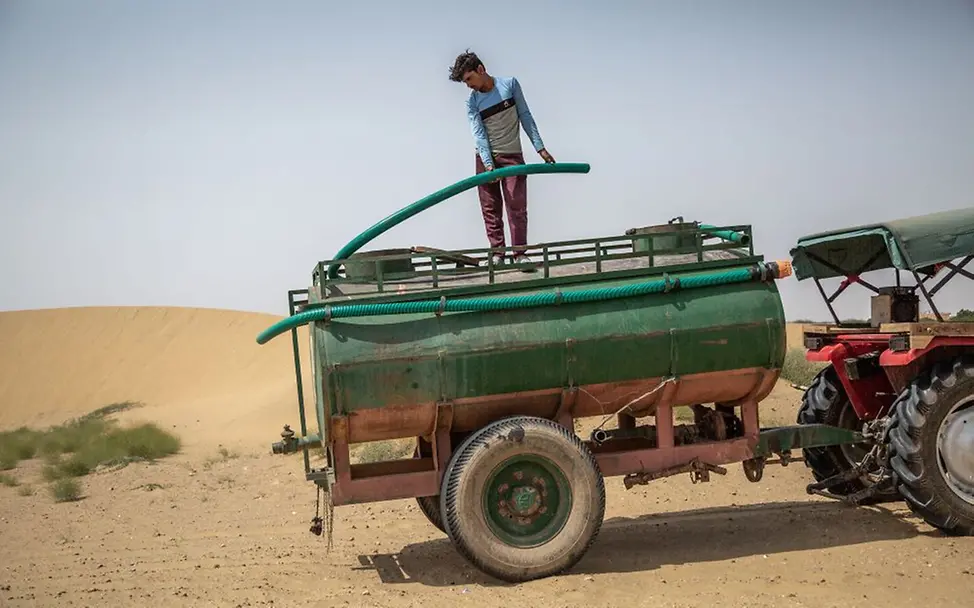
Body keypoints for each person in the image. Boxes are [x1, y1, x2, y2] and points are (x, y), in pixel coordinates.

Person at [449, 50, 554, 268]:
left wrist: (540, 148)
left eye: (469, 79)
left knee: (516, 204)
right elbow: (478, 133)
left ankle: (520, 254)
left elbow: (525, 115)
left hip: (512, 155)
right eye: (464, 82)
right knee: (490, 207)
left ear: (481, 69)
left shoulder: (510, 86)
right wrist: (488, 164)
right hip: (486, 158)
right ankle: (498, 253)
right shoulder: (472, 102)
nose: (469, 85)